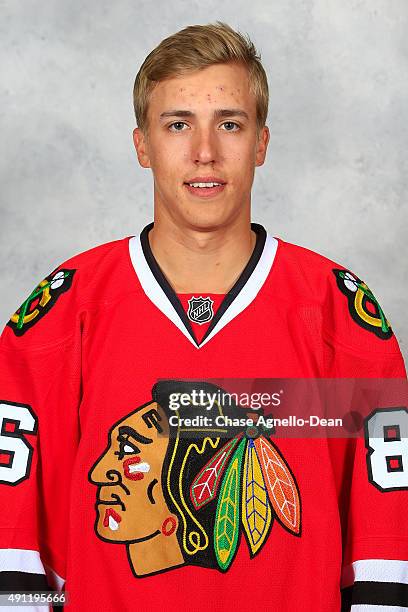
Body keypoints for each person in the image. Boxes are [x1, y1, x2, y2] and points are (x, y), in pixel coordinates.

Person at [0, 21, 406, 612]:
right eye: (178, 124)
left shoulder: (335, 313)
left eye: (230, 124)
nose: (205, 152)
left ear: (262, 143)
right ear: (142, 144)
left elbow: (383, 540)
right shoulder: (68, 311)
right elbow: (16, 533)